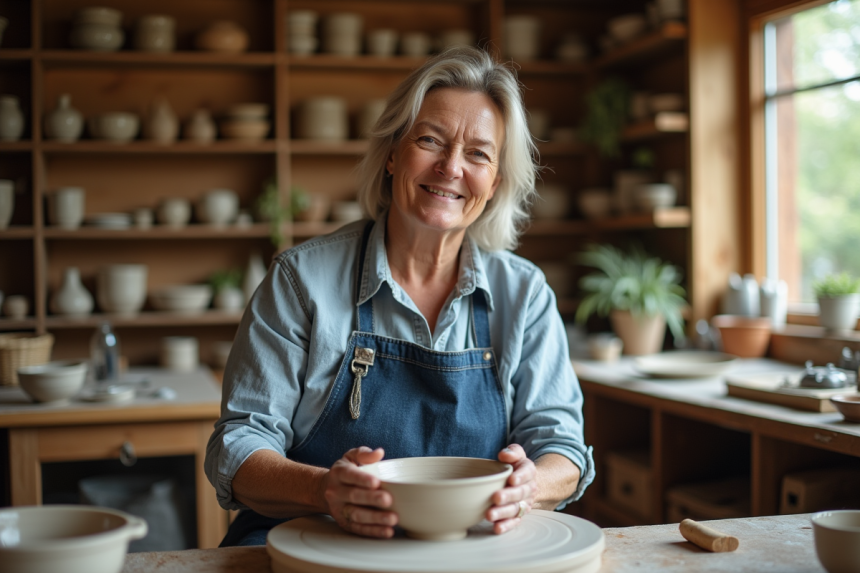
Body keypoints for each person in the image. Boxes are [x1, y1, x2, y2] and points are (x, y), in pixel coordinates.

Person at [205, 46, 594, 547]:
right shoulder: (301, 281)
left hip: (465, 550)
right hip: (312, 541)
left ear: (495, 182)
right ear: (392, 154)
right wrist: (325, 489)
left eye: (478, 153)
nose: (451, 167)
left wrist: (529, 485)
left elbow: (562, 446)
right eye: (431, 140)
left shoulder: (525, 293)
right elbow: (237, 446)